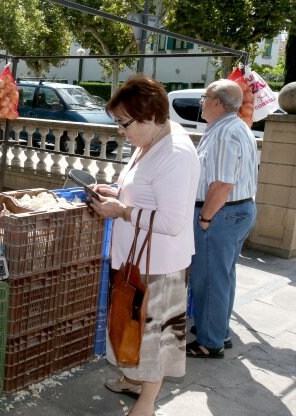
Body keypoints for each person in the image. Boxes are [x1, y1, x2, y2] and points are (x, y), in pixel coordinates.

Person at [89, 75, 200, 416]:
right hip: (139, 259)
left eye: (124, 123)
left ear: (150, 116)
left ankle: (147, 404)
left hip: (160, 266)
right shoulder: (149, 140)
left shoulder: (176, 153)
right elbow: (144, 190)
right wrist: (116, 191)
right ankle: (133, 380)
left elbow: (172, 221)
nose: (121, 131)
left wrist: (122, 210)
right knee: (133, 327)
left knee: (154, 337)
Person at [186, 79, 257, 359]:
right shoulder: (233, 127)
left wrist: (204, 218)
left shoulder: (226, 132)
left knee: (210, 278)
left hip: (221, 214)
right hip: (236, 212)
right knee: (223, 275)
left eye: (205, 98)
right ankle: (217, 329)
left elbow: (223, 184)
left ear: (216, 103)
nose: (202, 102)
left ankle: (210, 342)